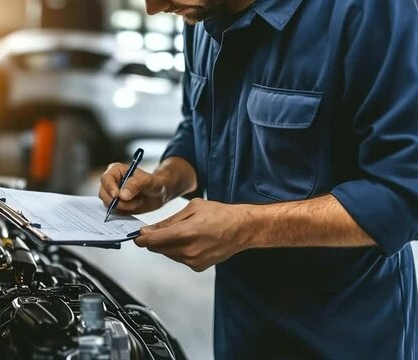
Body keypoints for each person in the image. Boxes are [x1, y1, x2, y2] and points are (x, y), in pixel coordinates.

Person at [98, 0, 418, 358]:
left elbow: (402, 196)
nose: (154, 7)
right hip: (240, 331)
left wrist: (246, 227)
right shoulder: (202, 18)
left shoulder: (370, 11)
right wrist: (163, 182)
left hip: (348, 336)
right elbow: (198, 127)